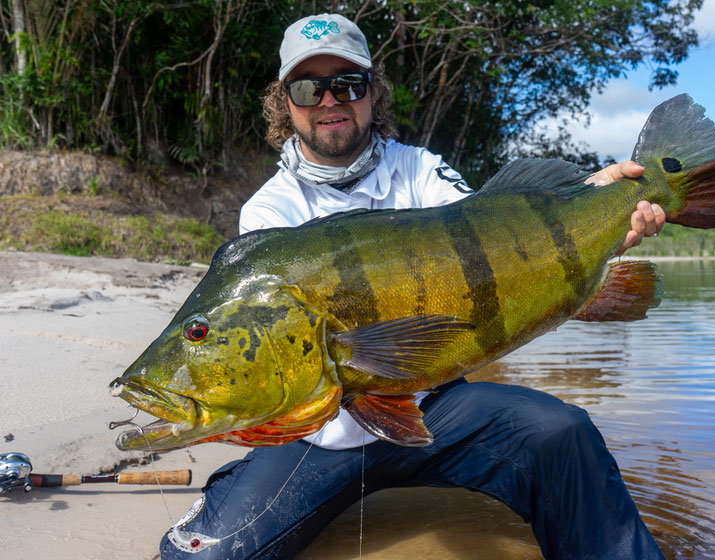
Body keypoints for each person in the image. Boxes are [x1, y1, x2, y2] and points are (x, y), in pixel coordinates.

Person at [161, 13, 666, 559]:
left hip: (434, 407)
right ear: (285, 104)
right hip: (320, 439)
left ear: (373, 95)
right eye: (308, 87)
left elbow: (493, 236)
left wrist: (601, 207)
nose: (329, 100)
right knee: (205, 554)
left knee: (563, 434)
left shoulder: (420, 171)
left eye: (347, 83)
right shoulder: (269, 213)